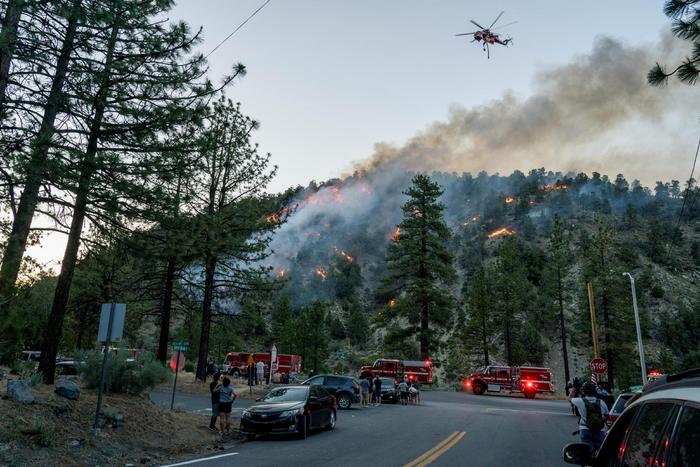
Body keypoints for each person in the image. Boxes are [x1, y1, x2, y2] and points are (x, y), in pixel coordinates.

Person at [570, 381, 609, 455]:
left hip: (585, 429)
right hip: (599, 430)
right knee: (601, 452)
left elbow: (569, 398)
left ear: (583, 391)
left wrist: (574, 388)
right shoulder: (601, 402)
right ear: (594, 391)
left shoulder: (579, 401)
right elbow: (607, 415)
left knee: (586, 452)